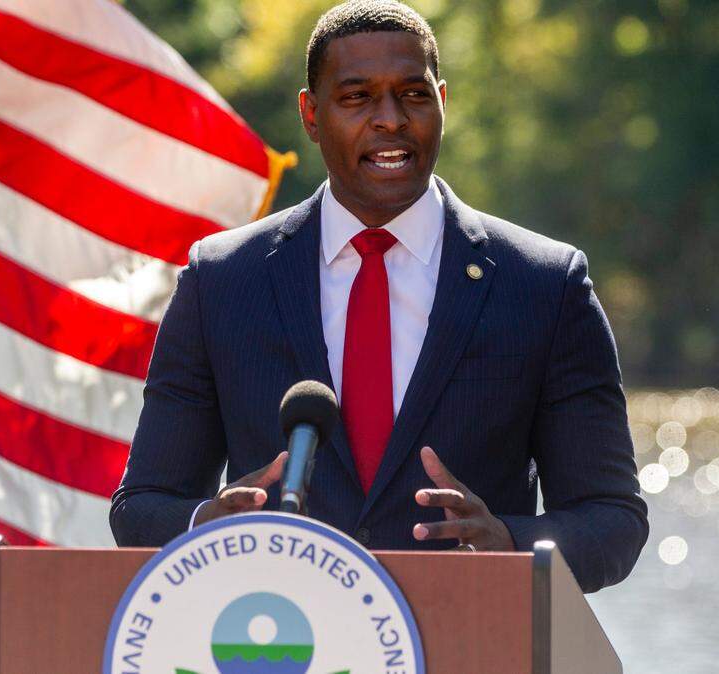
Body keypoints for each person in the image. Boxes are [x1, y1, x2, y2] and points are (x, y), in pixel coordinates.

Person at [110, 0, 647, 593]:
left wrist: (511, 545)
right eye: (357, 96)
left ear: (442, 102)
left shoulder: (545, 286)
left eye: (413, 94)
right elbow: (142, 505)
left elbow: (612, 520)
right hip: (282, 638)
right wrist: (207, 527)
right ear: (311, 115)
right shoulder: (222, 281)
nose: (390, 119)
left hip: (470, 637)